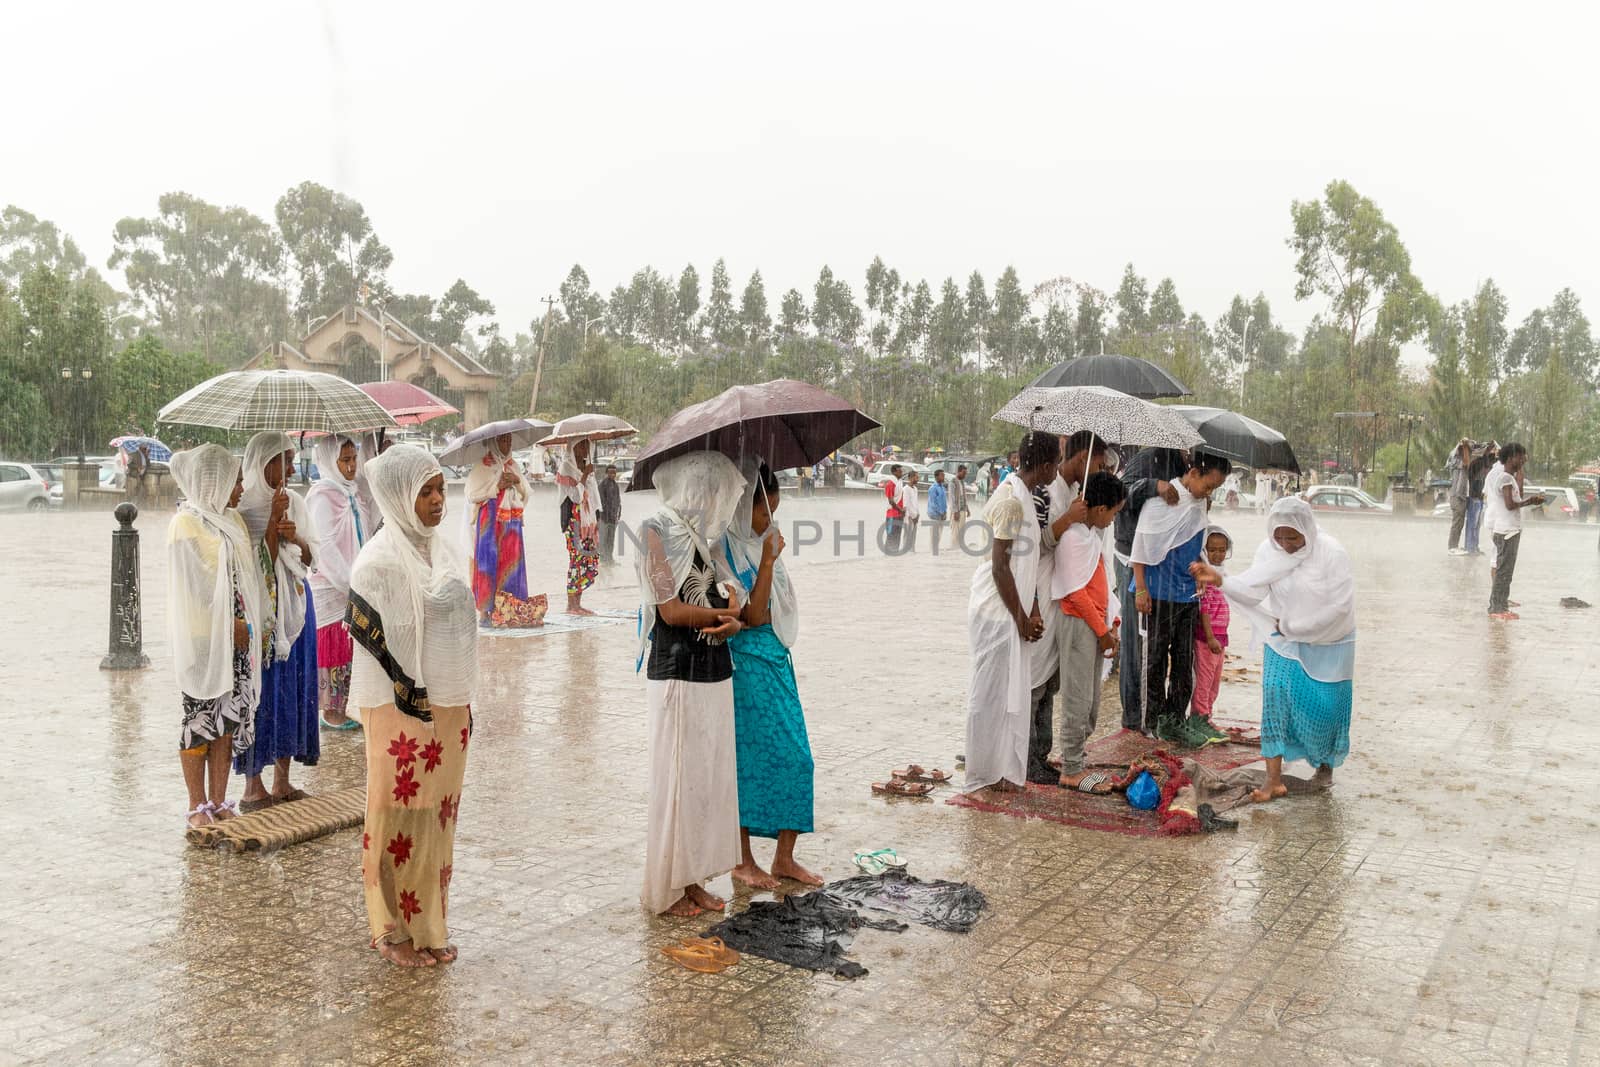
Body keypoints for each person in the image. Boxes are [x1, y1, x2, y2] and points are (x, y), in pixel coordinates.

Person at [348, 446, 479, 967]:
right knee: (394, 810)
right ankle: (387, 928)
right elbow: (381, 644)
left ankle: (428, 922)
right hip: (397, 709)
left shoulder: (441, 550)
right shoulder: (376, 562)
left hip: (448, 703)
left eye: (441, 489)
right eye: (424, 492)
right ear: (400, 497)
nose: (436, 501)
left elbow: (462, 626)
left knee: (435, 819)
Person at [636, 451, 747, 917]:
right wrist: (722, 614)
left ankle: (694, 879)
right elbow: (670, 610)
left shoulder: (704, 537)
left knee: (707, 780)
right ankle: (668, 888)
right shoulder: (654, 532)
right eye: (710, 493)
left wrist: (734, 618)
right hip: (677, 669)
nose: (715, 503)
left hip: (714, 670)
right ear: (691, 489)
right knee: (678, 781)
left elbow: (733, 593)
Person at [1190, 498, 1355, 803]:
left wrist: (1298, 626)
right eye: (1279, 536)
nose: (1285, 544)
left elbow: (1341, 607)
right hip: (1282, 637)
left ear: (1307, 530)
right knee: (1275, 695)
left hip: (1329, 639)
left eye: (1292, 537)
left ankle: (1324, 764)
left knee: (1325, 708)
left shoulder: (1331, 553)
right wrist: (1221, 580)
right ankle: (1273, 780)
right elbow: (1254, 590)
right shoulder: (1269, 551)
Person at [721, 462, 821, 890]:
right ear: (744, 508)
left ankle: (783, 858)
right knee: (749, 762)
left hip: (777, 659)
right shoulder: (726, 549)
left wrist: (769, 554)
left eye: (774, 512)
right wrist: (766, 559)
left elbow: (780, 609)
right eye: (764, 512)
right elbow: (754, 613)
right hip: (746, 664)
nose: (769, 521)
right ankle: (743, 861)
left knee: (797, 758)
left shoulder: (762, 543)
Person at [168, 445, 264, 828]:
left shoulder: (233, 521)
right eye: (235, 480)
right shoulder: (185, 524)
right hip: (203, 639)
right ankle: (197, 805)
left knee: (226, 719)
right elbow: (195, 588)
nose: (240, 488)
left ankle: (220, 801)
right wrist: (228, 626)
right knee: (198, 719)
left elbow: (247, 578)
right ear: (214, 481)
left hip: (238, 639)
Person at [964, 432, 1060, 794]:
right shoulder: (1011, 501)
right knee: (989, 693)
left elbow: (1027, 563)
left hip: (1014, 606)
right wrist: (1020, 617)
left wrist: (1032, 609)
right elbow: (1000, 567)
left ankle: (1003, 768)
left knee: (1010, 692)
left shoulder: (1026, 497)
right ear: (1048, 466)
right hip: (995, 611)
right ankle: (985, 770)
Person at [235, 432, 320, 811]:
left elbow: (310, 556)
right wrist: (270, 522)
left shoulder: (297, 502)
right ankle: (254, 786)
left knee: (293, 689)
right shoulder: (245, 508)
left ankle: (283, 781)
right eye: (280, 460)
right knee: (261, 690)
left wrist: (295, 537)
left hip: (297, 607)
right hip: (263, 611)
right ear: (261, 462)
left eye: (290, 460)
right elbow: (254, 568)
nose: (287, 468)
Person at [1026, 431, 1109, 783]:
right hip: (1043, 589)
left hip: (1063, 597)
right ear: (1080, 459)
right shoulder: (1047, 493)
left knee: (1053, 680)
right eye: (1099, 464)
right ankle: (1025, 756)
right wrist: (1069, 520)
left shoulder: (1077, 495)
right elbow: (1036, 543)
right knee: (1034, 680)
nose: (1100, 470)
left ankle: (1040, 755)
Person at [1130, 453, 1231, 736]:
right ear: (1195, 472)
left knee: (1184, 664)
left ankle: (1174, 720)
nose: (1208, 493)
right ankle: (1151, 722)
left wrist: (1202, 573)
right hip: (1159, 591)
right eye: (1208, 486)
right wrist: (1140, 588)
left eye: (1214, 489)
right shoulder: (1162, 499)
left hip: (1188, 594)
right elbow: (1141, 547)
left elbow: (1195, 542)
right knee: (1156, 660)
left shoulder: (1199, 504)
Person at [1053, 471, 1126, 793]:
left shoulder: (1090, 537)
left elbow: (1098, 587)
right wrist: (1100, 629)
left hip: (1096, 625)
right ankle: (1071, 768)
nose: (1113, 520)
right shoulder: (1072, 538)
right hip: (1079, 623)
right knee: (1077, 699)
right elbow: (1075, 592)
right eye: (1114, 512)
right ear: (1100, 510)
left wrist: (1111, 625)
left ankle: (1077, 758)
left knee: (1093, 703)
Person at [1113, 448, 1190, 732]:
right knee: (1136, 642)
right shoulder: (1149, 459)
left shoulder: (1184, 466)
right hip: (1131, 558)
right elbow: (1119, 496)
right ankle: (1133, 718)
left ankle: (1160, 716)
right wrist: (1153, 486)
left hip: (1161, 565)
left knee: (1157, 646)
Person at [306, 434, 372, 730]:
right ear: (330, 462)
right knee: (335, 646)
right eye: (344, 460)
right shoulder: (323, 496)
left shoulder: (353, 492)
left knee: (351, 646)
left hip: (355, 579)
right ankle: (332, 711)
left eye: (353, 459)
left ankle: (345, 705)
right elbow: (324, 545)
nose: (351, 466)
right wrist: (347, 580)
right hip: (333, 585)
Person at [468, 432, 530, 620]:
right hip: (490, 519)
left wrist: (516, 482)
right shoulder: (482, 465)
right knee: (489, 561)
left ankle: (510, 606)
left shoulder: (513, 465)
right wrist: (497, 486)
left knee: (511, 561)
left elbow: (526, 492)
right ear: (494, 443)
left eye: (509, 440)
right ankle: (486, 611)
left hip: (511, 520)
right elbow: (473, 494)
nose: (507, 444)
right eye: (503, 440)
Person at [1484, 442, 1544, 620]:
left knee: (1505, 572)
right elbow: (1510, 505)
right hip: (1507, 530)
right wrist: (1530, 501)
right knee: (1504, 572)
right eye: (1520, 456)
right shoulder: (1504, 479)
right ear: (1510, 458)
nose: (1523, 459)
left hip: (1509, 529)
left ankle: (1500, 606)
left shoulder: (1507, 477)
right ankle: (1497, 608)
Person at [1191, 527, 1233, 721]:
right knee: (1205, 680)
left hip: (1220, 636)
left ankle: (1207, 716)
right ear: (1204, 551)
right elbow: (1204, 610)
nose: (1218, 554)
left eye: (1222, 549)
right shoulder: (1206, 577)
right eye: (1213, 550)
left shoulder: (1222, 575)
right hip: (1208, 637)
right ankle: (1200, 716)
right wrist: (1209, 637)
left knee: (1215, 681)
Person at [556, 440, 602, 615]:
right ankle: (571, 605)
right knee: (576, 560)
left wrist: (598, 519)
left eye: (586, 445)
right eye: (581, 445)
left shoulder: (587, 467)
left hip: (589, 522)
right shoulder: (566, 468)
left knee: (586, 560)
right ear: (572, 447)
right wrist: (584, 476)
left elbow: (593, 496)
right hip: (574, 521)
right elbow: (575, 496)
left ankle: (578, 603)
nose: (584, 449)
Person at [1466, 442, 1496, 556]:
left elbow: (1491, 461)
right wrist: (1488, 450)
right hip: (1474, 497)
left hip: (1478, 497)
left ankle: (1474, 547)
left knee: (1476, 525)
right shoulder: (1476, 463)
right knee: (1473, 524)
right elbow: (1486, 462)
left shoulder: (1483, 463)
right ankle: (1470, 547)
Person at [1446, 439, 1472, 555]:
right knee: (1457, 522)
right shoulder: (1456, 460)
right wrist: (1465, 446)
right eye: (1465, 450)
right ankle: (1452, 547)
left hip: (1461, 496)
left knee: (1460, 523)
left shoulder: (1459, 460)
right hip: (1456, 496)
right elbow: (1466, 463)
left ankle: (1454, 546)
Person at [598, 464, 623, 564]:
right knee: (603, 540)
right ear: (606, 473)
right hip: (604, 518)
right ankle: (603, 560)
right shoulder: (602, 485)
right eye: (611, 472)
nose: (613, 474)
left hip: (613, 518)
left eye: (614, 472)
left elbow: (618, 501)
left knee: (611, 540)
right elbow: (601, 502)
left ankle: (610, 559)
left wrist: (618, 514)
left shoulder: (616, 485)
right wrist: (604, 515)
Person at [882, 463, 905, 554]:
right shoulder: (890, 484)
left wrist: (902, 511)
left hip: (900, 514)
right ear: (894, 472)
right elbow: (891, 501)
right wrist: (900, 509)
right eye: (899, 471)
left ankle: (894, 555)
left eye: (902, 471)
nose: (901, 473)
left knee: (898, 535)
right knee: (891, 536)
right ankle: (888, 555)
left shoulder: (900, 483)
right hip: (892, 514)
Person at [898, 469, 922, 552]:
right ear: (910, 478)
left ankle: (912, 553)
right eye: (916, 477)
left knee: (913, 537)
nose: (918, 479)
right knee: (907, 536)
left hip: (915, 517)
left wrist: (918, 515)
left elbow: (916, 503)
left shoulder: (915, 489)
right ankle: (905, 553)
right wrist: (911, 517)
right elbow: (906, 504)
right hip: (908, 518)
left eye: (918, 477)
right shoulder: (905, 489)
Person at [948, 464, 970, 549]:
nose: (965, 475)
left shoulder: (962, 482)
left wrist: (967, 508)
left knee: (961, 530)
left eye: (966, 473)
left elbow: (964, 496)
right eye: (964, 473)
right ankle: (954, 547)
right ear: (959, 472)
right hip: (956, 511)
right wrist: (955, 511)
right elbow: (952, 497)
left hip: (963, 509)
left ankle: (959, 547)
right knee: (955, 531)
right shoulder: (953, 481)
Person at [926, 469, 949, 545]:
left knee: (939, 535)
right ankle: (932, 552)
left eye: (944, 475)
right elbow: (933, 504)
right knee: (934, 536)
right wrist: (941, 513)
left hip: (942, 515)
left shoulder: (942, 487)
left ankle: (935, 552)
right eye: (942, 475)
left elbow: (944, 502)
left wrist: (945, 512)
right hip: (935, 515)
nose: (943, 477)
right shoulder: (933, 488)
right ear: (936, 477)